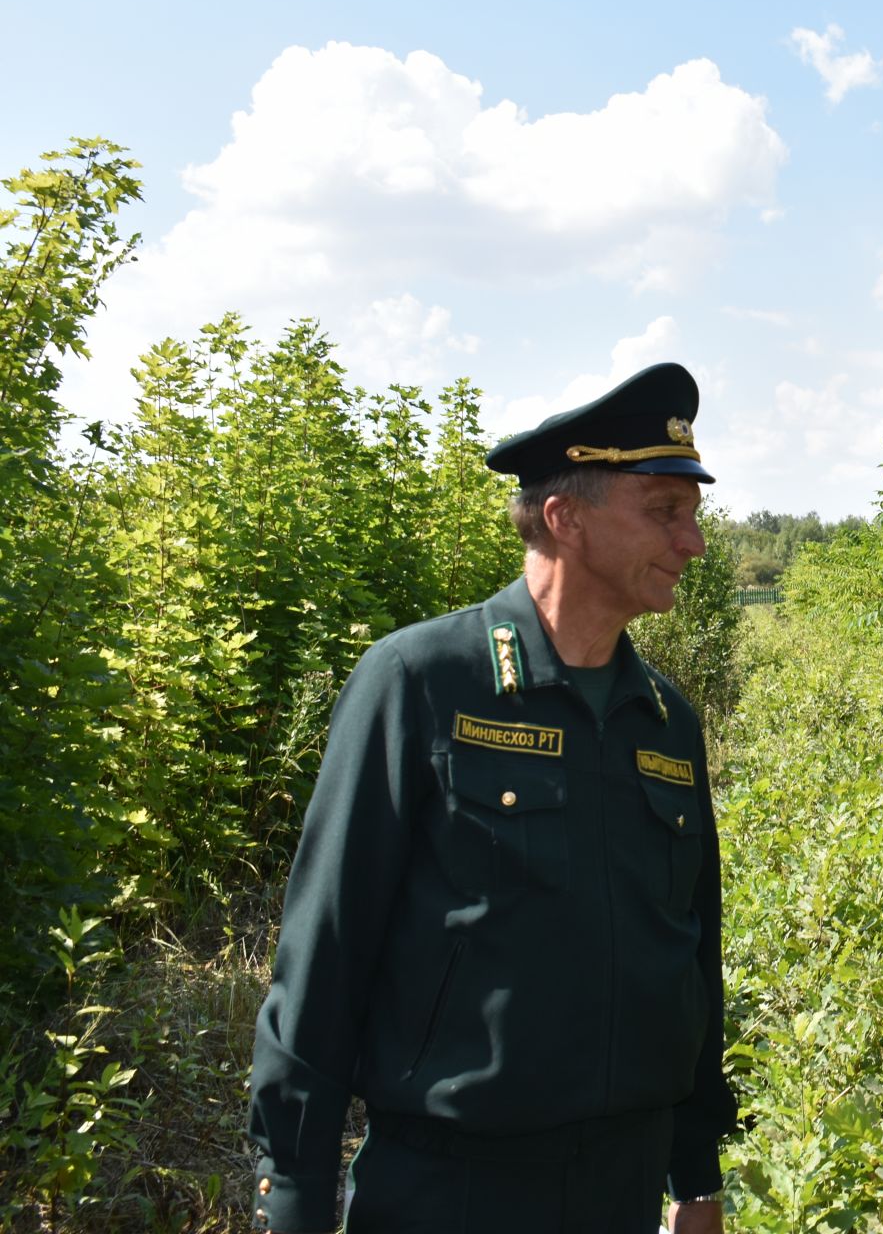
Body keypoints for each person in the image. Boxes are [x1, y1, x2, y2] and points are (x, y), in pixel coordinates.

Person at [248, 362, 738, 1233]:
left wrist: (695, 1174)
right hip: (452, 1188)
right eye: (665, 513)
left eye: (692, 516)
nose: (691, 543)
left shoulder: (667, 723)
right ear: (565, 518)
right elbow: (324, 957)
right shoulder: (420, 682)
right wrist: (293, 1198)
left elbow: (693, 960)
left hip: (622, 1187)